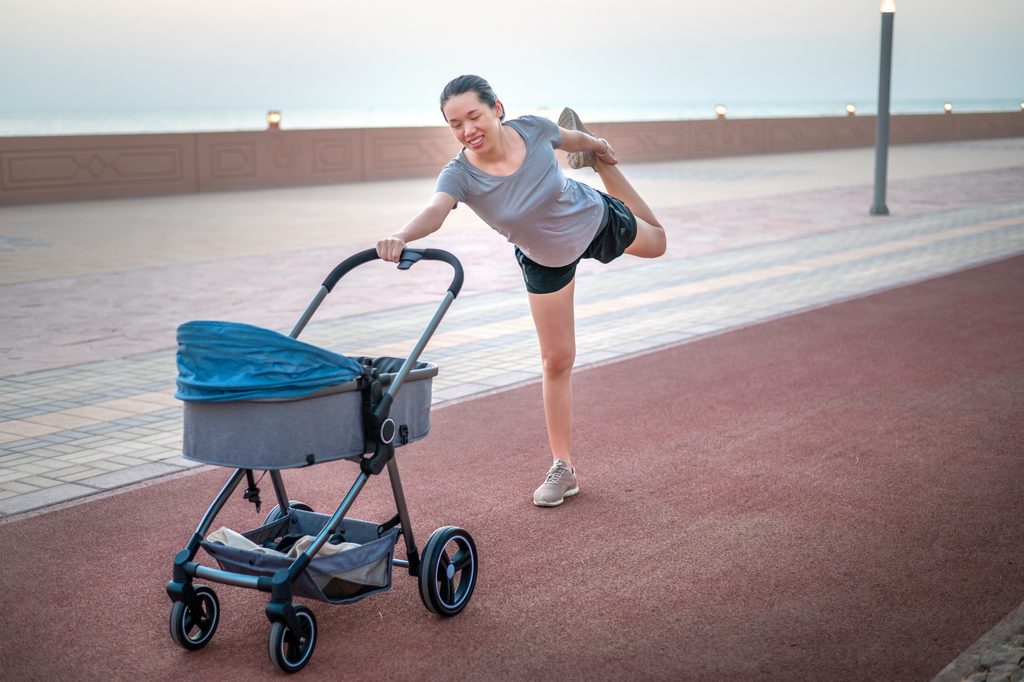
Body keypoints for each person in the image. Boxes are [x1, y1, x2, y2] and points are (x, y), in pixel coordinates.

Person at [377, 75, 666, 507]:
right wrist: (401, 235)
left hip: (592, 219)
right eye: (455, 124)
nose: (467, 129)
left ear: (497, 108)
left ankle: (606, 173)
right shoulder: (459, 175)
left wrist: (599, 148)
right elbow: (436, 211)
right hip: (545, 259)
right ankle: (562, 467)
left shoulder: (533, 128)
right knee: (556, 360)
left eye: (473, 115)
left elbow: (573, 137)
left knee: (658, 244)